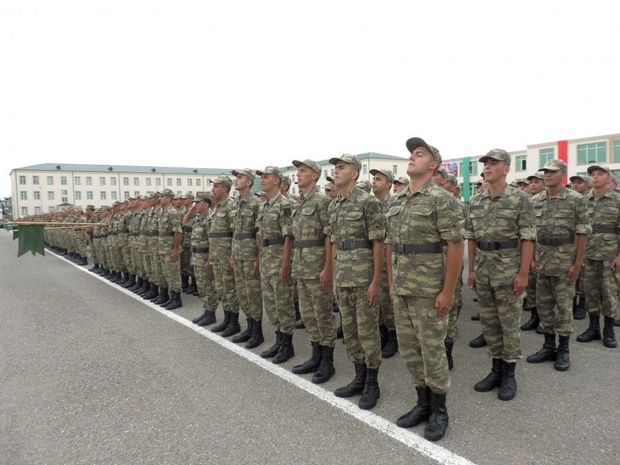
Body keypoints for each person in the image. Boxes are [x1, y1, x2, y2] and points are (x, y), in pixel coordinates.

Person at [387, 137, 463, 441]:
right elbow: (393, 246)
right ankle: (422, 403)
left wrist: (448, 292)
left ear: (433, 165)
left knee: (432, 351)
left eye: (419, 154)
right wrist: (392, 284)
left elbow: (455, 247)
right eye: (410, 154)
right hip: (403, 288)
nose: (412, 157)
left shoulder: (442, 200)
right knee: (410, 350)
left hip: (430, 290)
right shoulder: (397, 201)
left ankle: (439, 409)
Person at [466, 149, 535, 401]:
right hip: (484, 268)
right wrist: (472, 269)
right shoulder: (476, 200)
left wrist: (523, 273)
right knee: (490, 323)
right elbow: (471, 238)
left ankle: (509, 374)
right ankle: (495, 369)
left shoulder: (520, 199)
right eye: (484, 163)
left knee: (509, 324)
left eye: (493, 163)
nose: (487, 166)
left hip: (508, 269)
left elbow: (528, 238)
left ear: (506, 168)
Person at [329, 154, 386, 410]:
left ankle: (372, 383)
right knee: (350, 331)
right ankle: (359, 377)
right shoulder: (335, 205)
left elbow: (378, 243)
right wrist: (333, 278)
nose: (336, 171)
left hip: (364, 278)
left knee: (367, 332)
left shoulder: (368, 203)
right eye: (335, 168)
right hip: (343, 277)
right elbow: (335, 244)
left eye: (341, 167)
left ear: (354, 174)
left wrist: (376, 281)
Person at [526, 160, 589, 371]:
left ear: (562, 174)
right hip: (542, 262)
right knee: (544, 307)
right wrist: (532, 259)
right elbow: (530, 235)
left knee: (563, 308)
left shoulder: (576, 200)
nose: (547, 175)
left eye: (552, 172)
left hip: (564, 262)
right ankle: (548, 346)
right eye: (545, 172)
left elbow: (582, 232)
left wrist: (577, 263)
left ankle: (563, 349)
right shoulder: (535, 200)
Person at [289, 159, 337, 383]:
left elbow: (329, 236)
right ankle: (315, 355)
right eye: (298, 171)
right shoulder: (299, 202)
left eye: (303, 171)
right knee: (308, 315)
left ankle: (327, 362)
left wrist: (328, 267)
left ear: (315, 176)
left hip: (317, 267)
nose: (298, 174)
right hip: (301, 266)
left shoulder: (321, 202)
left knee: (323, 315)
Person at [577, 164, 620, 348]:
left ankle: (608, 330)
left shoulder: (617, 201)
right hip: (588, 255)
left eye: (599, 174)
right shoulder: (582, 201)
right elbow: (578, 231)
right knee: (590, 292)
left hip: (609, 256)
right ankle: (593, 328)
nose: (595, 177)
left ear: (608, 179)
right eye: (593, 174)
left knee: (609, 293)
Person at [256, 166, 296, 363]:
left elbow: (289, 237)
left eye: (266, 177)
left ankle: (287, 345)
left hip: (279, 258)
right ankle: (279, 340)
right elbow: (261, 237)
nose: (262, 180)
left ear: (277, 181)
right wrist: (259, 259)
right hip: (267, 259)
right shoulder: (264, 206)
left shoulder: (285, 205)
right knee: (271, 304)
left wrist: (286, 264)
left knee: (283, 304)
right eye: (261, 177)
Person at [230, 169, 265, 348]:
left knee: (253, 293)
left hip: (250, 253)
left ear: (249, 182)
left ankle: (257, 331)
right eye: (236, 177)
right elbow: (233, 233)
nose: (237, 180)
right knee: (242, 292)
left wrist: (258, 258)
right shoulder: (235, 204)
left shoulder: (256, 203)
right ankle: (249, 326)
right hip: (237, 254)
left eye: (240, 177)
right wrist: (231, 255)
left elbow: (259, 234)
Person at [370, 168, 398, 358]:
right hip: (372, 259)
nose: (374, 181)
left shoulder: (395, 204)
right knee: (376, 298)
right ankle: (380, 331)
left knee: (388, 300)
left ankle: (392, 336)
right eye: (373, 178)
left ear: (389, 183)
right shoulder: (370, 204)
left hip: (390, 259)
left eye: (378, 179)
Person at [209, 176, 240, 336]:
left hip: (226, 255)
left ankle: (234, 323)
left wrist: (232, 256)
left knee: (230, 290)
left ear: (225, 189)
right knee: (221, 289)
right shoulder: (217, 207)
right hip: (216, 256)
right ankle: (227, 319)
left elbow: (235, 233)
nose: (213, 189)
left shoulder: (231, 206)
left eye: (216, 186)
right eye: (213, 186)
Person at [186, 192, 219, 326]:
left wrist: (210, 261)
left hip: (205, 257)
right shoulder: (198, 218)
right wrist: (191, 210)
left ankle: (211, 314)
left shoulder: (209, 219)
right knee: (202, 287)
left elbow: (212, 242)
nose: (195, 205)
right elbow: (184, 222)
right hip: (196, 257)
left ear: (206, 204)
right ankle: (206, 311)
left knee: (208, 287)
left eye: (198, 203)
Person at [568, 174, 591, 320]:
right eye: (573, 183)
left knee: (584, 278)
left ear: (587, 185)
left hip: (590, 244)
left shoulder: (590, 201)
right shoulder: (569, 201)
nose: (575, 185)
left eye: (579, 182)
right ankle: (572, 304)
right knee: (571, 277)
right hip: (570, 243)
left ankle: (582, 304)